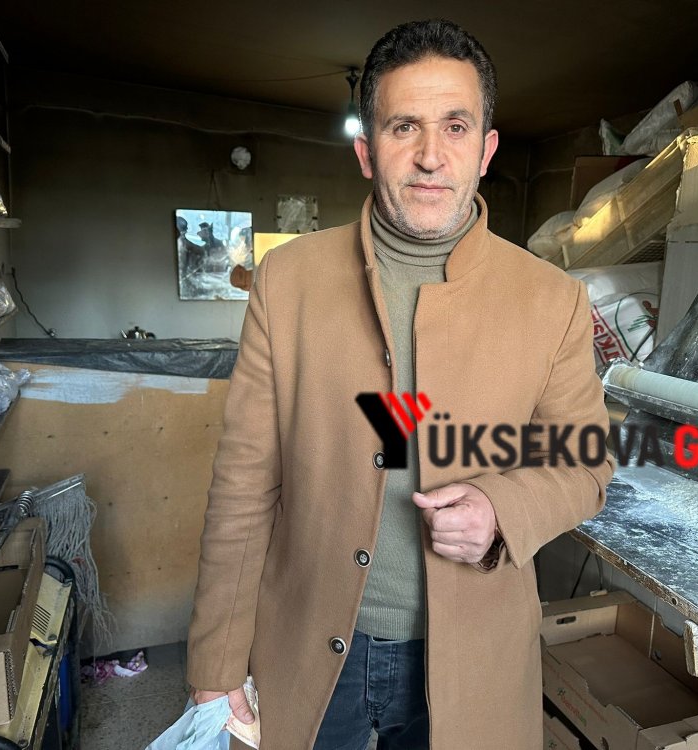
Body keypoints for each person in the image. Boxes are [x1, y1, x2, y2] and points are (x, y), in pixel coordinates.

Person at [187, 19, 614, 749]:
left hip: (474, 656)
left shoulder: (554, 301)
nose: (429, 156)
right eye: (403, 126)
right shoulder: (288, 282)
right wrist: (214, 662)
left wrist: (501, 508)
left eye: (455, 127)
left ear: (487, 150)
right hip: (309, 645)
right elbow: (244, 482)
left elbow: (584, 462)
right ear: (366, 151)